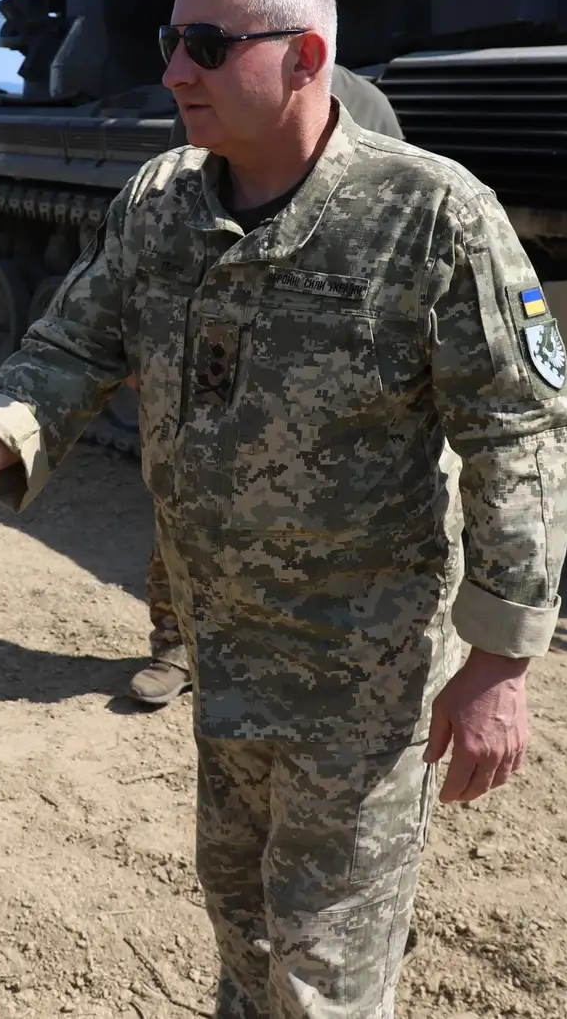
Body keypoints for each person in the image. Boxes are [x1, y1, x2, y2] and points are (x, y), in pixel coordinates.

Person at [0, 0, 567, 1018]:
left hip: (360, 680)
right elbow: (66, 351)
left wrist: (499, 658)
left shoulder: (429, 216)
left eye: (208, 46)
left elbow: (524, 431)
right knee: (243, 926)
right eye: (170, 41)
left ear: (304, 58)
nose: (175, 70)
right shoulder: (161, 200)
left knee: (322, 977)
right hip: (222, 654)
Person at [127, 65, 405, 709]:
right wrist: (146, 341)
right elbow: (175, 221)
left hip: (313, 347)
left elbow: (386, 230)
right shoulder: (216, 91)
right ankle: (177, 644)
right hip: (214, 332)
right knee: (187, 489)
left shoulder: (366, 103)